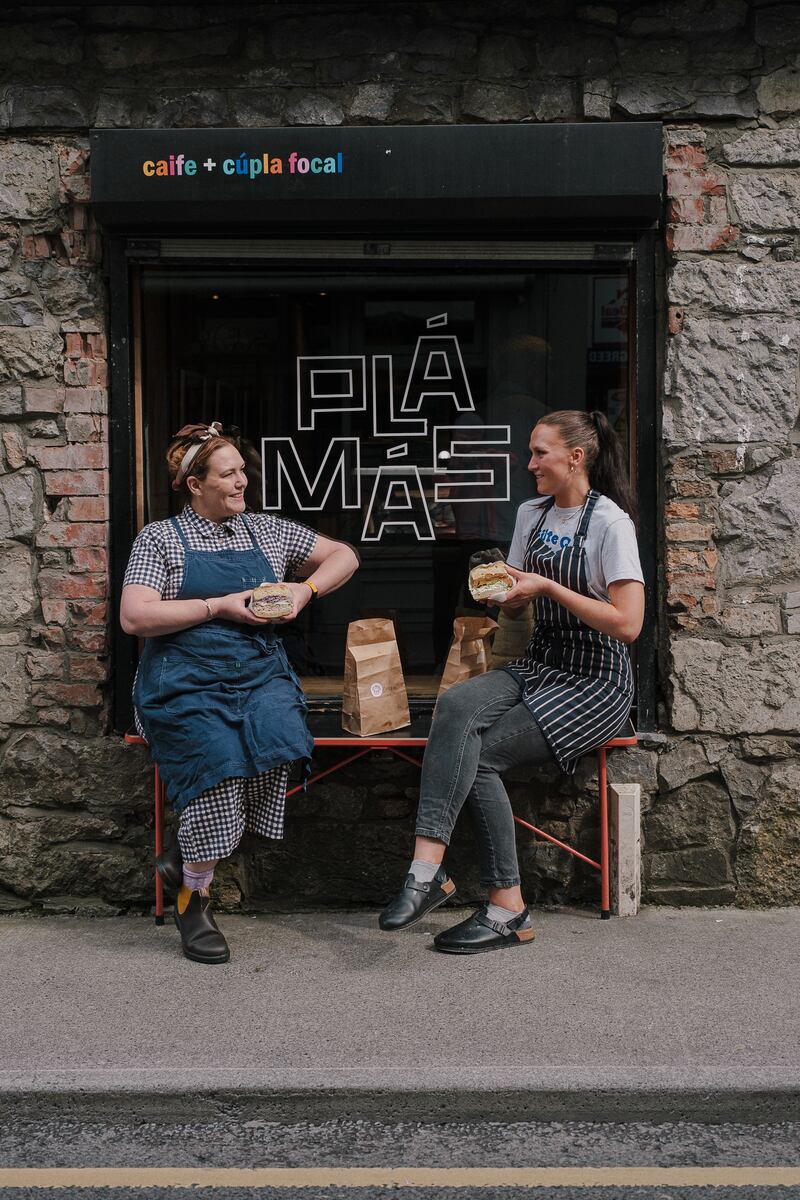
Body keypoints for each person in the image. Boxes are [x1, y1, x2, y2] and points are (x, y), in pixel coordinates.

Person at [378, 409, 644, 954]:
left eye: (539, 453)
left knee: (481, 757)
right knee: (455, 705)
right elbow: (519, 594)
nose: (530, 464)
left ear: (576, 457)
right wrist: (505, 593)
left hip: (595, 681)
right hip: (541, 662)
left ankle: (508, 908)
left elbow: (628, 624)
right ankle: (425, 873)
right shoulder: (532, 513)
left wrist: (547, 587)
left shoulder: (610, 524)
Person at [120, 422, 359, 965]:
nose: (242, 482)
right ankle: (194, 897)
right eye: (228, 474)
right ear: (193, 484)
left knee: (282, 739)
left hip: (257, 673)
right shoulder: (160, 539)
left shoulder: (267, 530)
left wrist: (305, 588)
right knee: (221, 763)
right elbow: (135, 616)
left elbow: (344, 554)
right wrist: (219, 606)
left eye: (243, 471)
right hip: (182, 679)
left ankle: (185, 857)